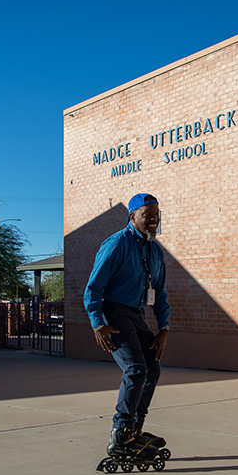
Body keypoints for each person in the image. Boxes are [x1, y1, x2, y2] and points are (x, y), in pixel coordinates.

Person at [83, 193, 171, 457]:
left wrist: (164, 328)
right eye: (148, 214)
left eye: (157, 214)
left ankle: (135, 429)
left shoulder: (156, 250)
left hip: (137, 315)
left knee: (152, 370)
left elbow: (160, 294)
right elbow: (93, 288)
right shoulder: (117, 244)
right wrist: (98, 323)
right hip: (114, 313)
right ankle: (121, 435)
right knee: (135, 369)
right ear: (132, 217)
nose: (154, 219)